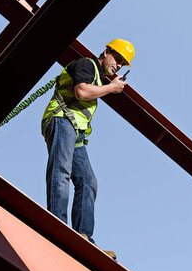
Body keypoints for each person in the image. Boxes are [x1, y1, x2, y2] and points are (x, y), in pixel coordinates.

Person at [41, 39, 134, 254]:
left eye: (122, 63)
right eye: (117, 59)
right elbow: (81, 92)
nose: (118, 65)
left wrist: (107, 86)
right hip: (61, 119)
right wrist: (112, 87)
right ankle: (57, 223)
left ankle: (83, 236)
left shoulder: (98, 80)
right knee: (61, 170)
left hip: (75, 133)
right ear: (105, 52)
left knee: (88, 181)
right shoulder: (86, 65)